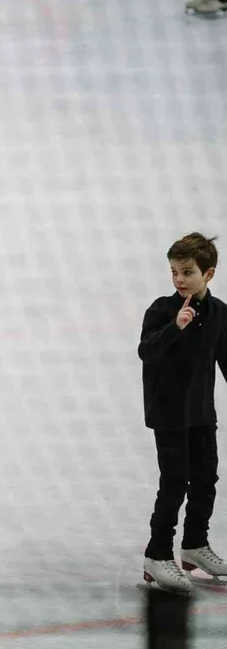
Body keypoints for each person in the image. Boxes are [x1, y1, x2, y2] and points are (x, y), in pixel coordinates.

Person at [138, 232, 227, 592]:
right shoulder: (162, 310)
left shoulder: (220, 313)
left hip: (201, 411)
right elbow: (146, 351)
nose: (179, 279)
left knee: (206, 479)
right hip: (169, 412)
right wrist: (176, 327)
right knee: (174, 483)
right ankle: (157, 555)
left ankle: (194, 546)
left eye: (187, 272)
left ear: (208, 274)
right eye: (174, 271)